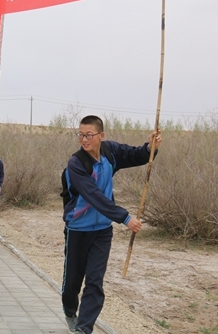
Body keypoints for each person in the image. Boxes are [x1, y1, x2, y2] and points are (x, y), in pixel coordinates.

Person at [62, 115, 161, 334]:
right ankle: (70, 311)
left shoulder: (110, 152)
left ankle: (84, 329)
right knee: (72, 284)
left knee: (95, 281)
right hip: (77, 229)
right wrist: (125, 218)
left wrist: (149, 148)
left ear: (101, 136)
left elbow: (135, 155)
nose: (84, 139)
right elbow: (93, 195)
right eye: (80, 134)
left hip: (102, 232)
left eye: (89, 135)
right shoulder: (76, 163)